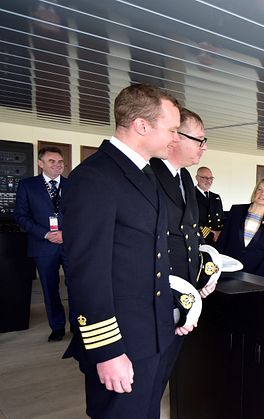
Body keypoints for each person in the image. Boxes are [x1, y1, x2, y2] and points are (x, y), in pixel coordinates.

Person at [62, 83, 190, 419]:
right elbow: (87, 275)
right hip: (122, 341)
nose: (175, 138)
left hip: (155, 334)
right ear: (142, 126)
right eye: (173, 130)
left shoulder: (144, 174)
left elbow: (150, 257)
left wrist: (175, 311)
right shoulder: (95, 178)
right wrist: (106, 351)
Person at [148, 108, 217, 415]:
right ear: (175, 137)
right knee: (146, 381)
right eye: (199, 139)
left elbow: (188, 234)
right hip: (158, 294)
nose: (203, 147)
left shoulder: (185, 177)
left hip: (183, 296)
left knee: (162, 376)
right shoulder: (149, 174)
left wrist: (201, 276)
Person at [15, 146, 70, 342]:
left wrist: (67, 233)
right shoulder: (27, 185)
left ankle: (79, 327)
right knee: (49, 287)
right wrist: (46, 234)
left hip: (69, 244)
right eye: (52, 161)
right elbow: (21, 216)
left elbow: (81, 214)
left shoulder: (72, 185)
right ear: (41, 163)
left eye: (60, 162)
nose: (57, 165)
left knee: (75, 286)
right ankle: (57, 327)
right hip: (43, 245)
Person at [217, 178, 264, 277]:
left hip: (255, 275)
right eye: (259, 190)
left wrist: (258, 276)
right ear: (255, 192)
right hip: (228, 270)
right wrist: (219, 266)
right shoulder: (236, 210)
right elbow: (222, 240)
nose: (262, 194)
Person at [195, 166, 224, 245]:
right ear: (197, 178)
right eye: (205, 178)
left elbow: (222, 217)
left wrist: (220, 232)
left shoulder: (216, 197)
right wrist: (210, 233)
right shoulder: (191, 195)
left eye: (211, 178)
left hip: (216, 240)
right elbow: (190, 219)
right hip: (199, 239)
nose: (209, 180)